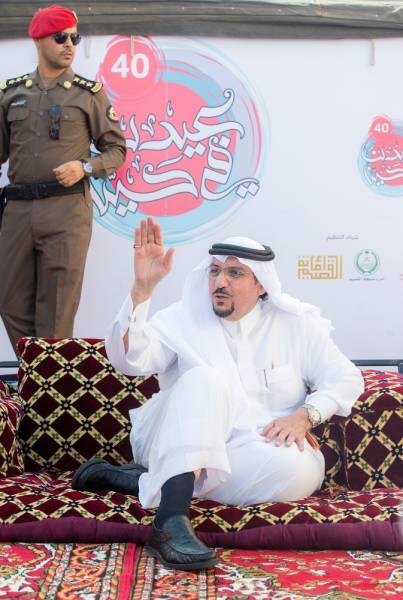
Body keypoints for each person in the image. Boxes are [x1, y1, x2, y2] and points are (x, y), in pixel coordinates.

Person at [73, 217, 364, 571]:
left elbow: (345, 377)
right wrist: (142, 290)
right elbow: (129, 359)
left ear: (261, 284)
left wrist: (306, 415)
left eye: (234, 273)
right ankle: (170, 521)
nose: (220, 282)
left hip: (247, 449)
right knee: (206, 379)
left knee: (300, 470)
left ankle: (155, 480)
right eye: (214, 271)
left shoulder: (295, 325)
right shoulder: (182, 319)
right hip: (174, 436)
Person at [0, 4, 126, 354]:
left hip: (65, 210)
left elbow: (117, 150)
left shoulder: (87, 94)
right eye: (60, 38)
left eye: (74, 38)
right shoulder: (11, 94)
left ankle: (45, 382)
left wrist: (84, 167)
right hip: (17, 211)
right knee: (9, 302)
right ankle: (36, 370)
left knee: (56, 311)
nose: (69, 45)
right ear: (39, 40)